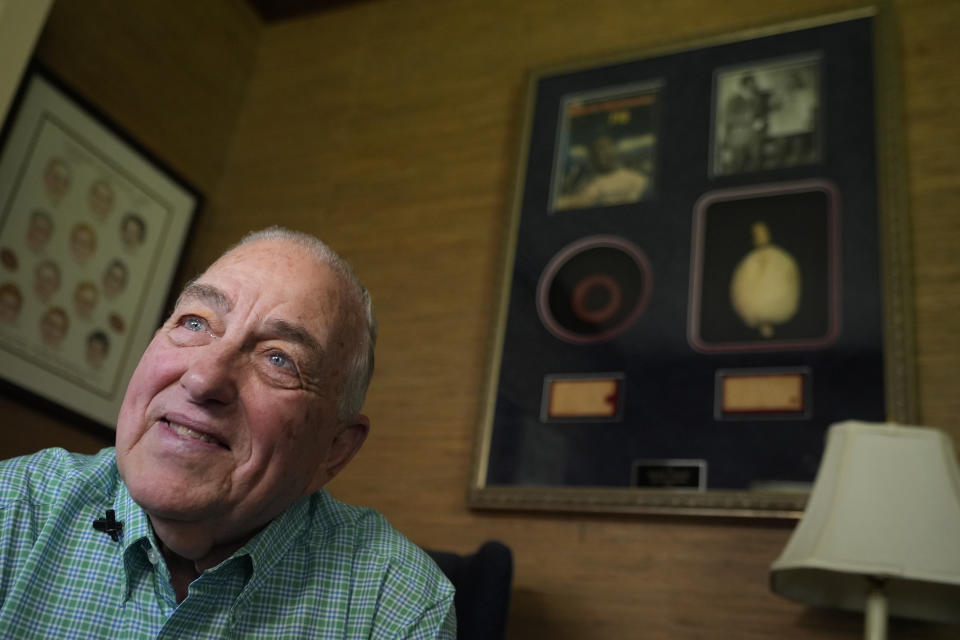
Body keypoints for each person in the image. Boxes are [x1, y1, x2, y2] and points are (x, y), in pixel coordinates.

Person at [0, 226, 456, 638]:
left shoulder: (396, 607)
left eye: (279, 359)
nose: (203, 379)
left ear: (333, 451)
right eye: (194, 323)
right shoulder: (13, 508)